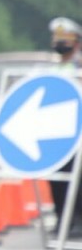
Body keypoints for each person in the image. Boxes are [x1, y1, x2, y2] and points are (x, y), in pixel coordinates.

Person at [47, 16, 82, 236]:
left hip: (77, 132)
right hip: (55, 132)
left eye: (65, 39)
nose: (61, 43)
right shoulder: (51, 69)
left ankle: (77, 219)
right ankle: (61, 218)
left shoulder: (79, 68)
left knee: (77, 177)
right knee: (56, 177)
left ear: (76, 42)